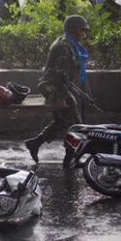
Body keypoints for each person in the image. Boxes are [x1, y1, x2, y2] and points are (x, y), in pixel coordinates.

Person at [25, 15, 89, 163]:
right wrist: (60, 97)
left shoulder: (67, 43)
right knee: (73, 124)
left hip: (58, 86)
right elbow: (60, 73)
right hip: (55, 87)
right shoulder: (64, 47)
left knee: (63, 121)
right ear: (74, 30)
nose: (83, 34)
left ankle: (35, 144)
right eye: (81, 31)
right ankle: (69, 157)